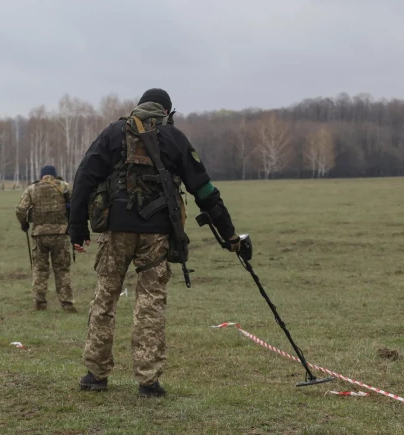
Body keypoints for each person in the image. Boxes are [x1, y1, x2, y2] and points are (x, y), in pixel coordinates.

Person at [69, 88, 240, 397]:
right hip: (156, 234)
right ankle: (148, 380)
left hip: (116, 230)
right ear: (167, 113)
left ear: (139, 108)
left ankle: (96, 374)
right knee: (150, 303)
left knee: (105, 298)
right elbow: (205, 191)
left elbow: (84, 178)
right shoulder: (174, 138)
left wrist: (77, 226)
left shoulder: (112, 133)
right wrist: (229, 235)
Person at [16, 166, 77, 313]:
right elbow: (75, 206)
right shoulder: (65, 187)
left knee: (40, 270)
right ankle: (67, 304)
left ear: (42, 175)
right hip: (61, 235)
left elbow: (20, 210)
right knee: (62, 270)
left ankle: (39, 303)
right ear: (55, 175)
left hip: (39, 235)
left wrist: (24, 224)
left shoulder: (32, 189)